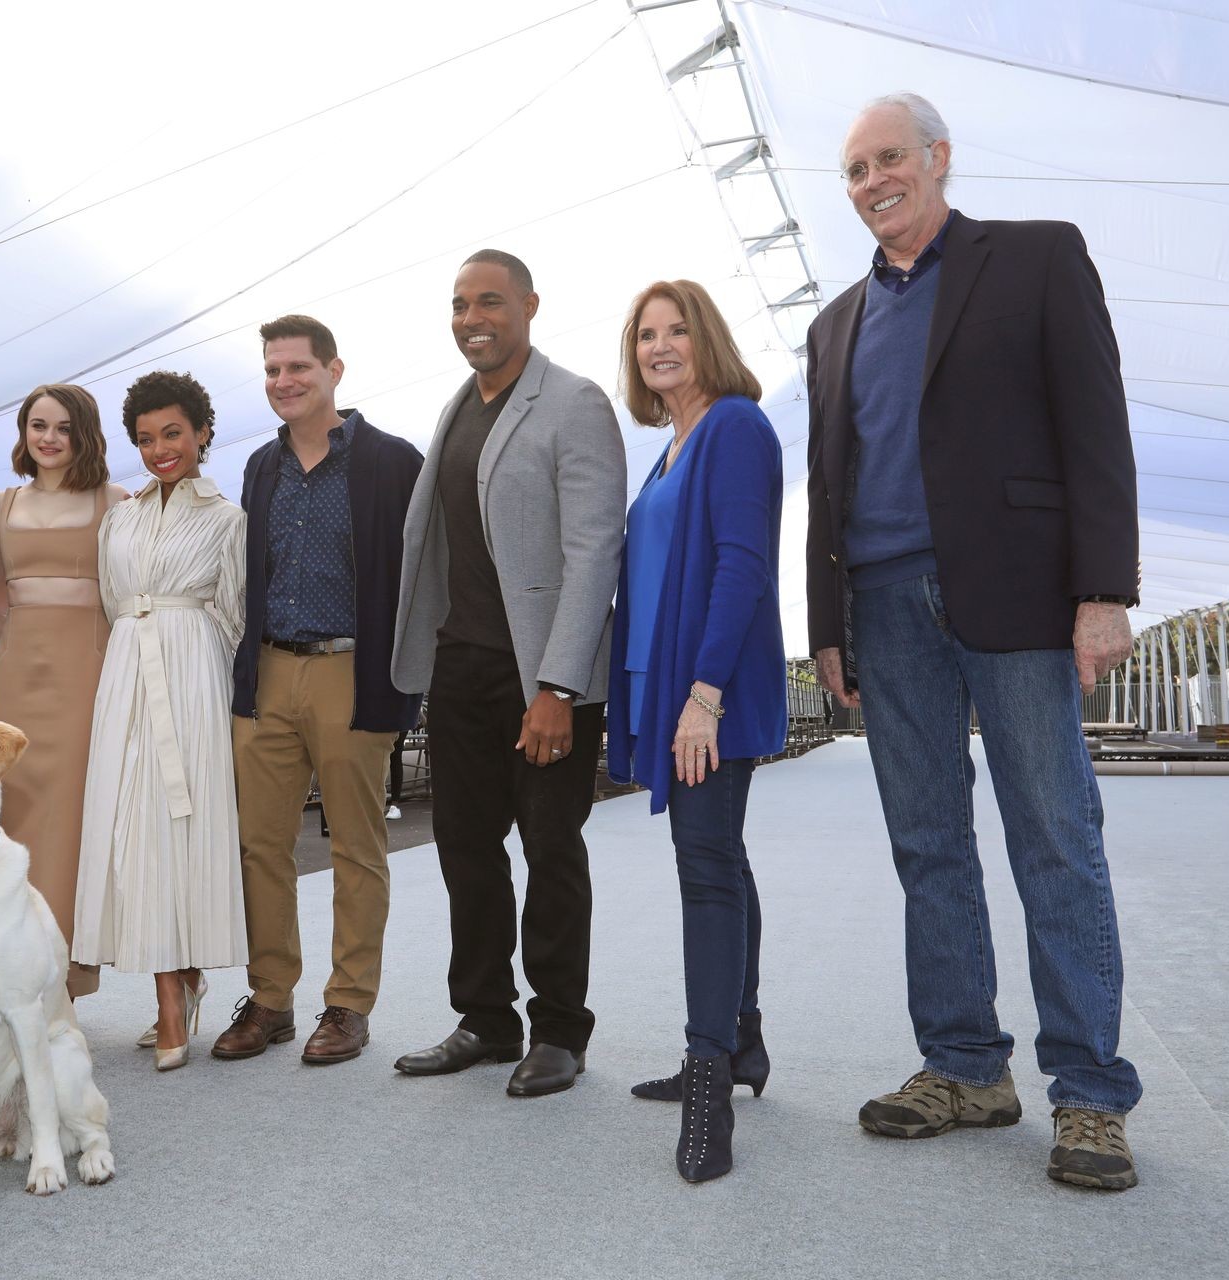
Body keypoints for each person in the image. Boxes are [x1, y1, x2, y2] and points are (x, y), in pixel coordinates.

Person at [807, 93, 1142, 1190]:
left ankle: (1089, 1093)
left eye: (888, 159)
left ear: (938, 157)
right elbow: (826, 486)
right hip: (883, 604)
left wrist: (1103, 590)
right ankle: (964, 1067)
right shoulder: (833, 325)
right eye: (855, 170)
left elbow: (1096, 424)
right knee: (928, 842)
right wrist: (826, 625)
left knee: (1055, 835)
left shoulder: (1037, 258)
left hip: (1016, 594)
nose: (872, 182)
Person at [390, 249, 625, 1098]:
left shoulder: (576, 403)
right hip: (462, 666)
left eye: (489, 301)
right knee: (464, 847)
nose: (471, 319)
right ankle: (486, 1019)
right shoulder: (456, 408)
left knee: (550, 847)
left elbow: (594, 551)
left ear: (530, 304)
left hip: (543, 676)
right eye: (459, 305)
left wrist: (557, 689)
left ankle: (560, 1030)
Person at [603, 281, 786, 1182]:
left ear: (707, 338)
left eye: (677, 330)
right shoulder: (670, 447)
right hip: (665, 683)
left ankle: (709, 1083)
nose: (660, 346)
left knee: (706, 870)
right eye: (646, 335)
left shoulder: (734, 427)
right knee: (721, 858)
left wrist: (704, 696)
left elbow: (743, 565)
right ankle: (740, 1039)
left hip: (706, 690)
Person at [215, 315, 424, 1066]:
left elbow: (420, 574)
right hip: (268, 671)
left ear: (335, 370)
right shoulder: (259, 467)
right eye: (272, 370)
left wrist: (407, 677)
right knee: (259, 845)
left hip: (351, 671)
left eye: (298, 367)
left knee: (356, 845)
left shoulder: (392, 461)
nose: (284, 382)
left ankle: (349, 1003)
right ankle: (270, 999)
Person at [73, 371, 248, 1071]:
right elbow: (112, 601)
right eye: (145, 439)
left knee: (182, 830)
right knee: (131, 829)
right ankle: (171, 988)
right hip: (125, 672)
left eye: (172, 433)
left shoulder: (228, 518)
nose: (159, 450)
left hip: (192, 671)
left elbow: (234, 615)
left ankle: (179, 988)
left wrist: (197, 669)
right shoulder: (119, 516)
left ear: (202, 432)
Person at [0, 383, 127, 1002]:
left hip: (86, 675)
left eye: (63, 427)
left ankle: (64, 976)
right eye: (37, 425)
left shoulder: (115, 501)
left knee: (69, 822)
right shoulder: (1, 504)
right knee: (13, 817)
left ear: (84, 433)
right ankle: (16, 972)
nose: (48, 438)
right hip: (15, 676)